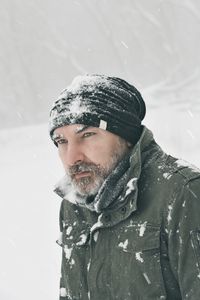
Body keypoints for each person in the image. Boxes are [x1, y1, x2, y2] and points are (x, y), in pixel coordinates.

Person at [49, 74, 200, 300]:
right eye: (62, 141)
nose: (72, 157)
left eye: (88, 134)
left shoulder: (183, 193)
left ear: (126, 137)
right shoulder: (75, 204)